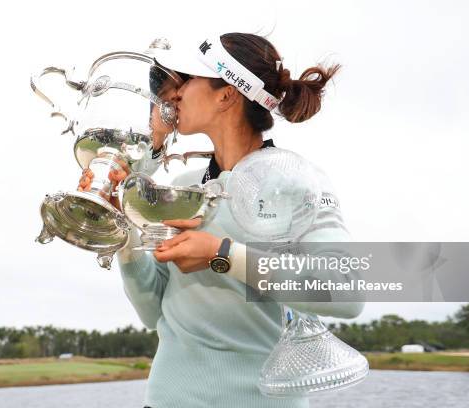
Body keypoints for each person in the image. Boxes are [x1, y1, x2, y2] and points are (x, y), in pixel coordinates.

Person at [81, 33, 363, 408]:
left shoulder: (297, 181)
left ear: (227, 94)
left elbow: (347, 291)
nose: (175, 93)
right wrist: (123, 226)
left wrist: (223, 255)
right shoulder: (182, 187)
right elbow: (152, 312)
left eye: (188, 80)